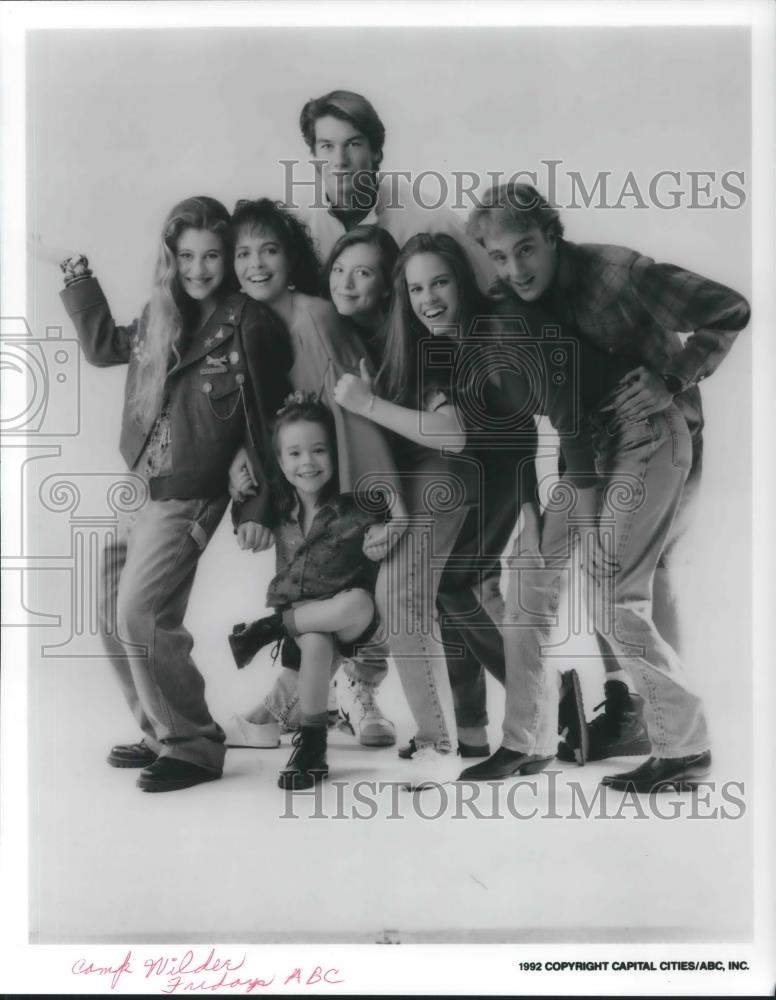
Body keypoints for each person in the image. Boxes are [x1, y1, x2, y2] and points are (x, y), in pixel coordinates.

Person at [462, 182, 749, 790]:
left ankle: (684, 747)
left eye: (527, 249)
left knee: (615, 590)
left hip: (650, 430)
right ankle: (526, 740)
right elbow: (553, 404)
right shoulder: (506, 302)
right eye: (499, 256)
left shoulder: (617, 273)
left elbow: (730, 308)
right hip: (586, 450)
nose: (515, 269)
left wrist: (672, 375)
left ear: (553, 235)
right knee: (530, 574)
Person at [56, 196, 293, 792]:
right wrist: (76, 273)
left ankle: (193, 745)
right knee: (110, 610)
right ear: (171, 258)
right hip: (140, 482)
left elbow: (265, 423)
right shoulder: (162, 313)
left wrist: (255, 506)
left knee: (143, 610)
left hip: (191, 492)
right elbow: (105, 346)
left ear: (227, 258)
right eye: (185, 256)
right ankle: (160, 730)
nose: (198, 269)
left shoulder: (250, 324)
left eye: (211, 255)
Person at [224, 200, 403, 749]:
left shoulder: (316, 317)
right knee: (311, 601)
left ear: (291, 256)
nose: (257, 264)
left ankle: (346, 695)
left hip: (347, 483)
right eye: (244, 253)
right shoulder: (244, 322)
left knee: (358, 594)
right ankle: (297, 707)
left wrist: (384, 503)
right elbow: (248, 414)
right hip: (293, 488)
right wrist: (243, 466)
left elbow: (359, 410)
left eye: (270, 250)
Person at [333, 232, 500, 786]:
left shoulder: (417, 342)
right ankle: (468, 729)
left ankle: (437, 744)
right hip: (406, 483)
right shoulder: (359, 332)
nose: (346, 283)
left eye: (362, 273)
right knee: (431, 601)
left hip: (441, 478)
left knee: (400, 596)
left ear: (386, 289)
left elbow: (452, 435)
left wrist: (368, 403)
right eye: (339, 271)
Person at [228, 393, 386, 790]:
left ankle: (269, 628)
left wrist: (385, 531)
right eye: (295, 454)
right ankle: (313, 748)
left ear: (336, 454)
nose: (307, 463)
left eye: (318, 451)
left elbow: (392, 513)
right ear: (280, 463)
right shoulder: (279, 510)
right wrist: (241, 498)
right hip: (307, 621)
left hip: (354, 620)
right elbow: (247, 517)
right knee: (315, 641)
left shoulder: (356, 504)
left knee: (358, 600)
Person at [289, 89, 495, 291]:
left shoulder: (429, 219)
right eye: (327, 146)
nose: (340, 161)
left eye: (353, 144)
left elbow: (492, 286)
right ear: (314, 155)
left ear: (376, 152)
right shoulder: (300, 223)